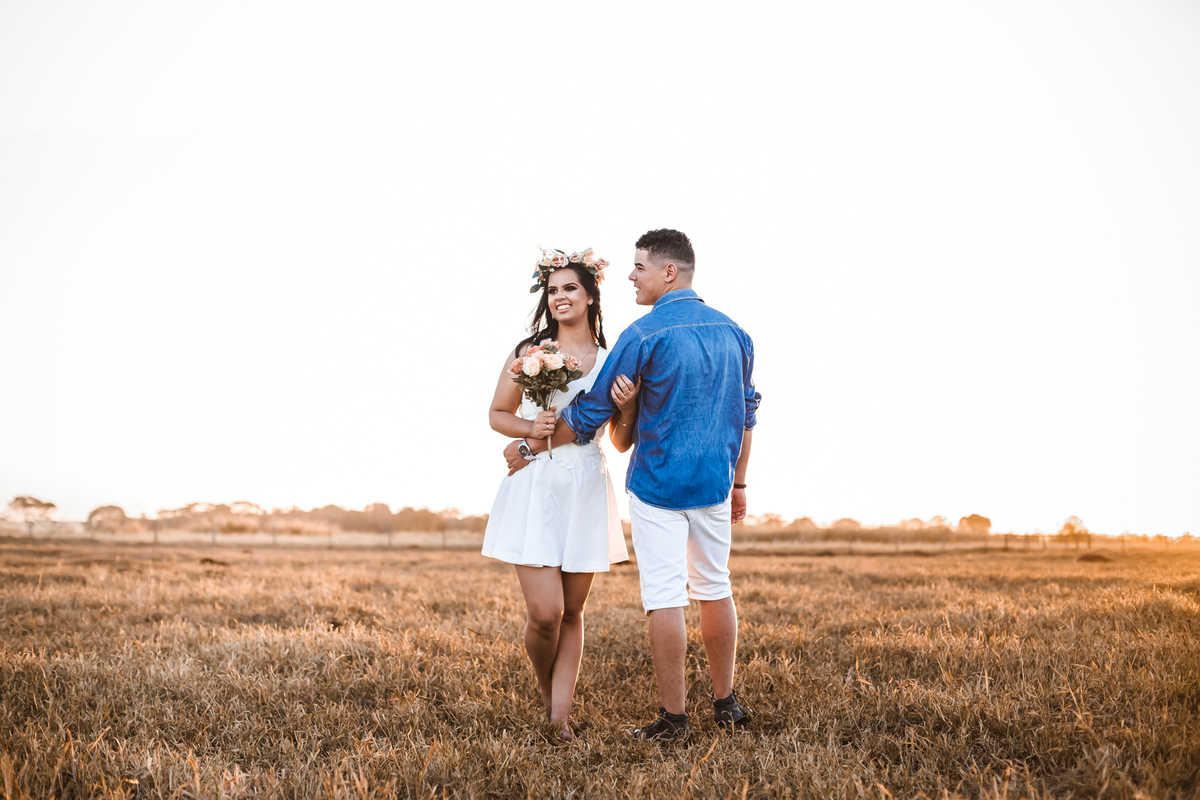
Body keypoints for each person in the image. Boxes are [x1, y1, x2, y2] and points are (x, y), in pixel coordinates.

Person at [521, 229, 760, 741]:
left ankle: (674, 719)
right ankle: (727, 704)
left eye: (640, 267)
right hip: (716, 484)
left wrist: (529, 447)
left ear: (668, 272)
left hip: (657, 484)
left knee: (666, 596)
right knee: (716, 586)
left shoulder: (643, 334)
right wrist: (739, 483)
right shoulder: (736, 333)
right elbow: (747, 414)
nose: (631, 275)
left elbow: (591, 410)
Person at [483, 248, 631, 741]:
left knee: (572, 612)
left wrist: (629, 407)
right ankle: (547, 692)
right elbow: (497, 414)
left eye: (570, 288)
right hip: (534, 483)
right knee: (545, 614)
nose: (560, 297)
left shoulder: (611, 362)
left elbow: (620, 440)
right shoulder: (530, 351)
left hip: (585, 484)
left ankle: (559, 717)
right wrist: (531, 429)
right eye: (552, 290)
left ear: (590, 297)